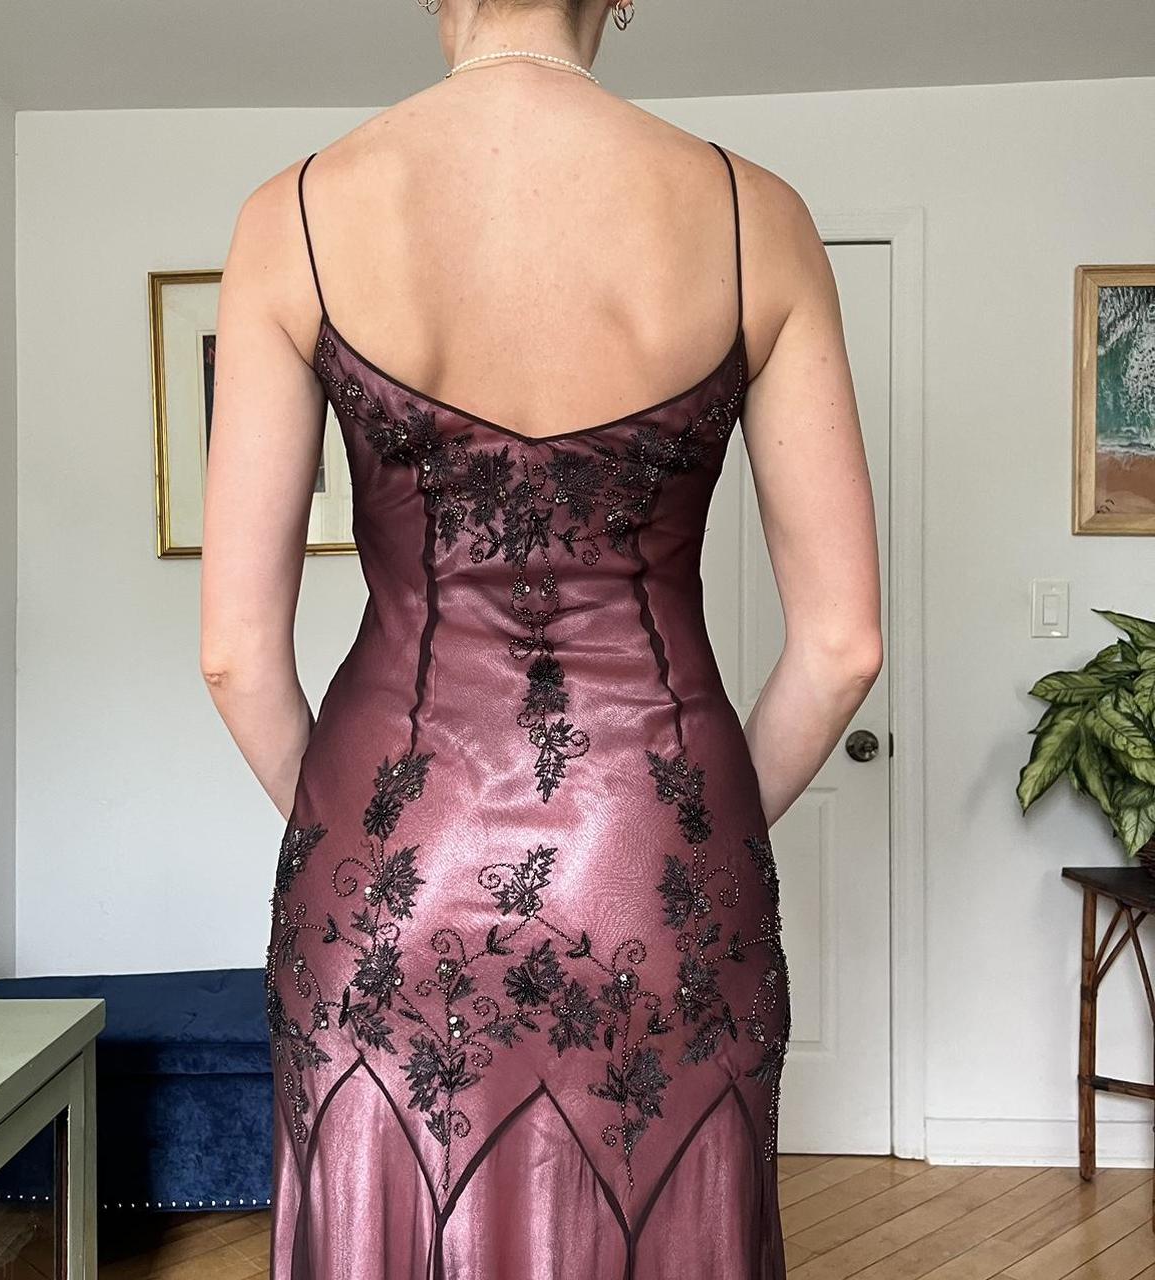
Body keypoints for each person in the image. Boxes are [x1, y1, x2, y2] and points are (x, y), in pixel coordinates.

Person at [199, 0, 881, 1274]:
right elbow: (841, 646)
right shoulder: (757, 219)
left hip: (385, 866)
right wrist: (689, 824)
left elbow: (235, 653)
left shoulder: (292, 218)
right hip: (658, 861)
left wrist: (356, 827)